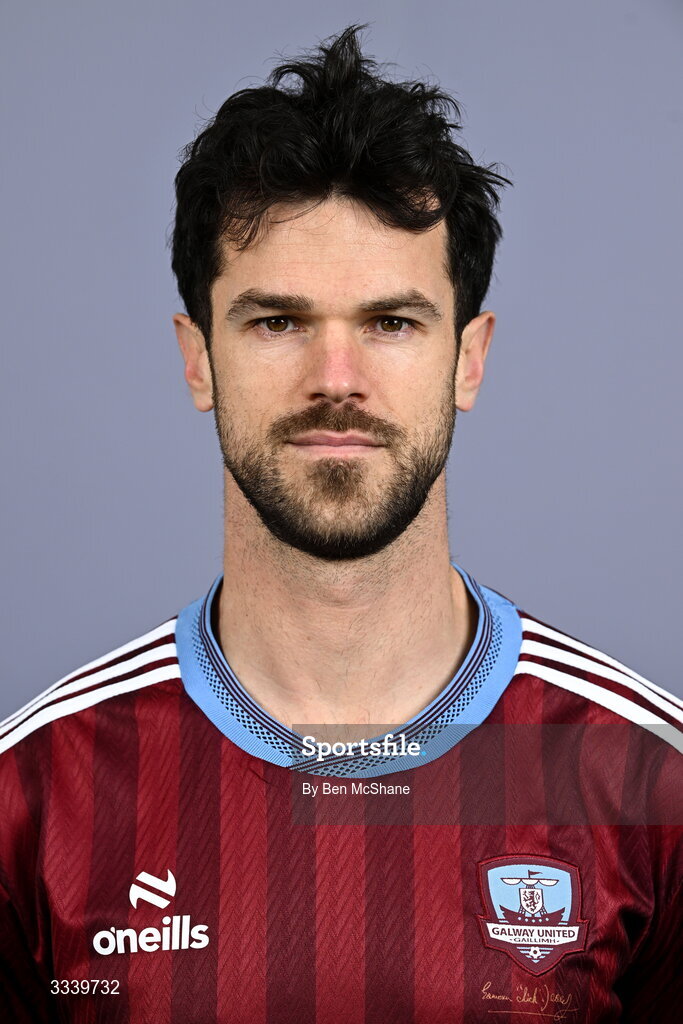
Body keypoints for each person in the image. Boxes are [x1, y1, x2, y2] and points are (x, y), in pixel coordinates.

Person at [0, 24, 680, 1024]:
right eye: (276, 321)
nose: (334, 382)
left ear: (468, 357)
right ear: (198, 358)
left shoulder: (641, 777)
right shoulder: (35, 792)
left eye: (390, 323)